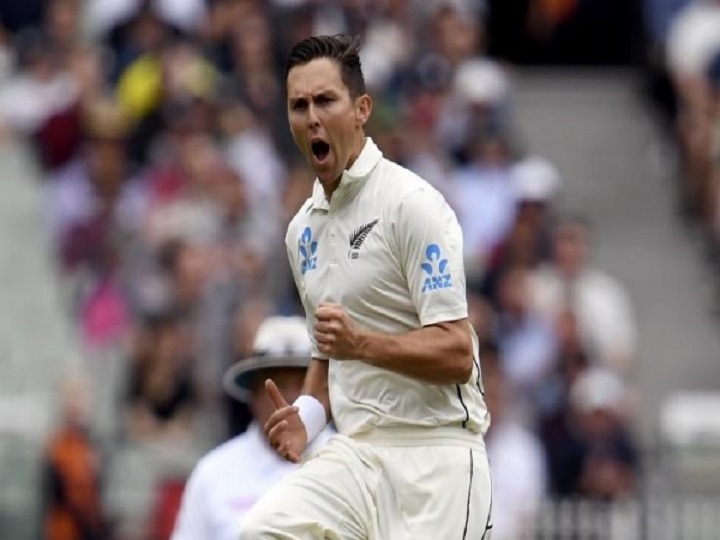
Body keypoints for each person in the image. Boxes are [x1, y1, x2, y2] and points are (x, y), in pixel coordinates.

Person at [240, 34, 493, 540]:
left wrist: (363, 345)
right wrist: (308, 417)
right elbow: (328, 352)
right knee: (262, 531)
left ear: (361, 110)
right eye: (299, 105)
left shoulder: (411, 204)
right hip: (356, 456)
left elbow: (457, 352)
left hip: (436, 455)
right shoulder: (301, 231)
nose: (312, 117)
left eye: (325, 100)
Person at [171, 315, 330, 540]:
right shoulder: (213, 474)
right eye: (276, 384)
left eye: (301, 384)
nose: (289, 397)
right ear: (253, 394)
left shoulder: (349, 462)